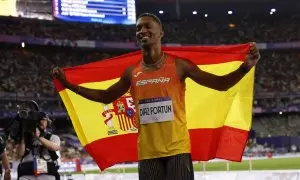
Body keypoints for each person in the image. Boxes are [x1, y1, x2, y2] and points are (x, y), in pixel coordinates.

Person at [53, 13, 260, 180]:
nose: (142, 31)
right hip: (148, 154)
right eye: (138, 28)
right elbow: (106, 96)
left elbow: (220, 84)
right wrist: (70, 85)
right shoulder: (131, 72)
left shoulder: (179, 66)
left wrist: (245, 68)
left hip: (177, 151)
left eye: (147, 26)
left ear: (161, 33)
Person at [16, 112, 61, 180]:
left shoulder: (53, 137)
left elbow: (54, 147)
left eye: (43, 120)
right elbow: (20, 154)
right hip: (26, 173)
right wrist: (22, 137)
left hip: (46, 173)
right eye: (39, 120)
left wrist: (39, 137)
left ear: (48, 123)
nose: (41, 122)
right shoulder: (25, 138)